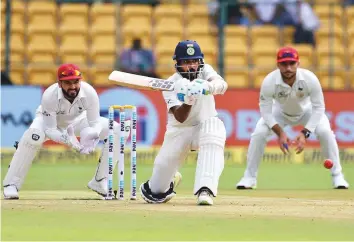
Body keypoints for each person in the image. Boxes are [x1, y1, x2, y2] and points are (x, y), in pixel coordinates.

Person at [2, 63, 130, 199]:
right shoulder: (49, 96)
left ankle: (99, 181)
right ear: (59, 83)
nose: (73, 86)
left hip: (77, 121)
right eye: (68, 83)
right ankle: (11, 184)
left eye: (76, 82)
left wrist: (93, 133)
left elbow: (95, 122)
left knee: (117, 129)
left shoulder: (89, 92)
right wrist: (69, 141)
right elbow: (50, 129)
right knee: (34, 136)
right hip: (49, 123)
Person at [236, 47, 349, 190]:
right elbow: (265, 111)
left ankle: (337, 176)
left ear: (298, 64)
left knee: (325, 132)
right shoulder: (270, 81)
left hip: (306, 111)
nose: (288, 68)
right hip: (280, 112)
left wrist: (305, 133)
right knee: (259, 134)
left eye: (292, 63)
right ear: (278, 65)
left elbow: (319, 108)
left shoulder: (310, 79)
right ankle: (249, 178)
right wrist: (280, 133)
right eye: (284, 64)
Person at [139, 40, 228, 206]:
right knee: (156, 191)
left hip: (205, 126)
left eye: (195, 61)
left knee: (215, 127)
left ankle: (205, 189)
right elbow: (180, 117)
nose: (192, 66)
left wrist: (207, 86)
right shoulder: (170, 85)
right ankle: (171, 179)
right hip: (179, 132)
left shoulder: (205, 71)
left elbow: (222, 85)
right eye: (186, 62)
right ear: (178, 64)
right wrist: (189, 99)